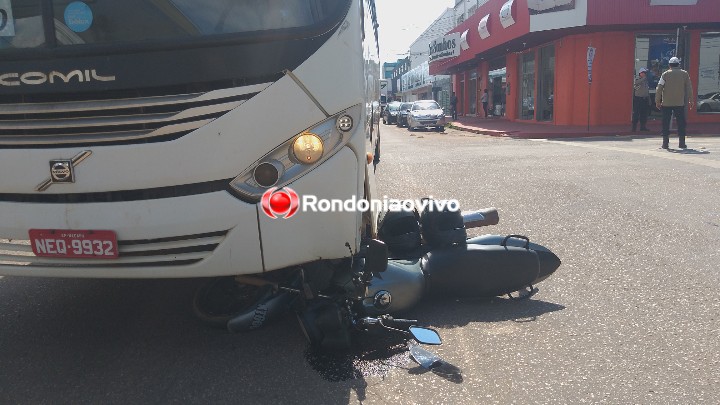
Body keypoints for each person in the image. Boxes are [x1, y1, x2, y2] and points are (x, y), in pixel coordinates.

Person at [655, 57, 694, 149]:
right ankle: (682, 142)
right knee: (681, 123)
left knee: (665, 122)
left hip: (667, 103)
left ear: (669, 65)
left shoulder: (665, 74)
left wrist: (657, 101)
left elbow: (659, 88)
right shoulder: (684, 74)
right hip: (679, 103)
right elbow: (689, 87)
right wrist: (691, 100)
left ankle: (665, 143)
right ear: (678, 64)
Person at [632, 68, 651, 132]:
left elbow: (647, 91)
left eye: (645, 73)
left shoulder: (646, 81)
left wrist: (649, 99)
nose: (645, 74)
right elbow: (636, 83)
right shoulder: (638, 79)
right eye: (643, 73)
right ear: (640, 73)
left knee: (644, 114)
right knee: (636, 113)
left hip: (644, 99)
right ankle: (634, 127)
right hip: (638, 99)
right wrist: (643, 78)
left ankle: (643, 127)